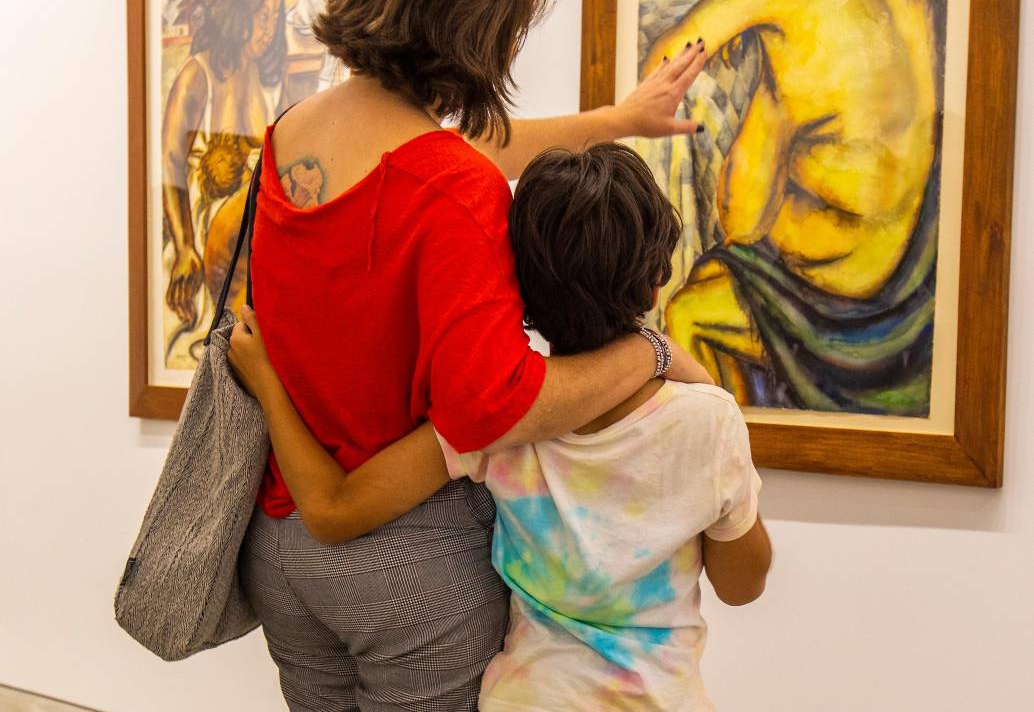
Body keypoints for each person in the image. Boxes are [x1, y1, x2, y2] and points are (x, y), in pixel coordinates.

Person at [230, 0, 713, 712]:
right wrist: (649, 352)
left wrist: (618, 118)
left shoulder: (290, 137)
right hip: (403, 567)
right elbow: (494, 404)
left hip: (284, 549)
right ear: (477, 19)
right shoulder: (452, 185)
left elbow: (460, 152)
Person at [231, 142, 772, 711]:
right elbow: (742, 586)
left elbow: (334, 509)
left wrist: (269, 381)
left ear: (517, 287)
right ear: (656, 283)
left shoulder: (498, 417)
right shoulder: (706, 423)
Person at [643, 0, 946, 413]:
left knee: (687, 311)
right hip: (908, 255)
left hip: (846, 276)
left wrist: (736, 16)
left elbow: (664, 65)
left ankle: (724, 471)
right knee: (719, 269)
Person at [161, 0, 287, 338]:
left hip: (249, 239)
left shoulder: (269, 86)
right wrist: (184, 246)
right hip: (204, 227)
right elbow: (169, 162)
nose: (269, 30)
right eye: (262, 16)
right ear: (239, 11)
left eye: (275, 18)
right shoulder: (197, 76)